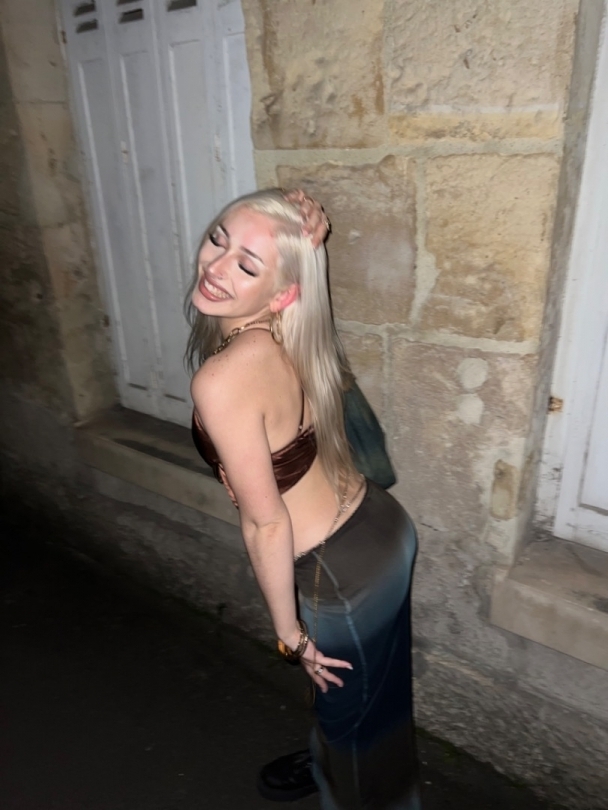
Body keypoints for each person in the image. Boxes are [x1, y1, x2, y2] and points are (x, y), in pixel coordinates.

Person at [186, 188, 421, 809]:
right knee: (375, 699)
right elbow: (295, 292)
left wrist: (290, 638)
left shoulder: (222, 378)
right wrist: (301, 248)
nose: (216, 266)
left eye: (247, 265)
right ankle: (327, 758)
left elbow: (265, 525)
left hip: (339, 574)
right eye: (218, 239)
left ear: (281, 294)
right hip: (382, 528)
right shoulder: (293, 328)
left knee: (357, 738)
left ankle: (347, 772)